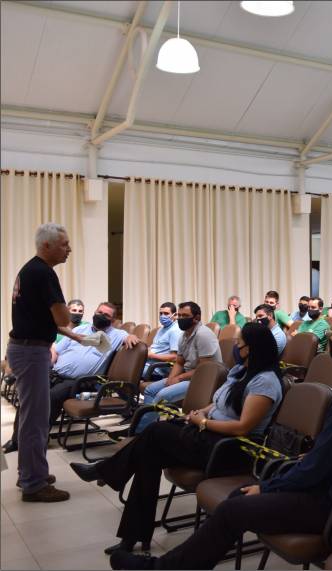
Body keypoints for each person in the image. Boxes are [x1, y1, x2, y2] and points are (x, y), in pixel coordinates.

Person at [108, 304, 332, 570]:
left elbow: (320, 467)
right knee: (239, 499)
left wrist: (268, 487)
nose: (328, 338)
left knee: (236, 506)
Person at [70, 322, 284, 554]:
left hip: (230, 450)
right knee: (148, 457)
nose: (235, 346)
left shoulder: (265, 381)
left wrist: (202, 422)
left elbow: (242, 428)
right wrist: (203, 411)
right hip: (208, 437)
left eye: (239, 343)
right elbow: (220, 401)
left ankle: (106, 472)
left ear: (251, 348)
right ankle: (132, 538)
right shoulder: (241, 371)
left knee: (155, 431)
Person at [6, 223, 79, 501]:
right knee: (36, 419)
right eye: (64, 244)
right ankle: (34, 484)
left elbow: (43, 318)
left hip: (25, 348)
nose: (69, 249)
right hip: (32, 351)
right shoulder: (43, 273)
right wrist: (68, 324)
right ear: (46, 246)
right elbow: (62, 318)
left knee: (31, 416)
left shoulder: (30, 270)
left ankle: (30, 472)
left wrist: (71, 332)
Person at [48, 302, 138, 426]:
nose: (101, 316)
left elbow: (129, 337)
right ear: (94, 313)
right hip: (55, 374)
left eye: (106, 315)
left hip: (79, 382)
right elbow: (57, 351)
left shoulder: (117, 335)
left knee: (51, 397)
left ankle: (38, 437)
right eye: (99, 312)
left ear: (112, 320)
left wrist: (131, 336)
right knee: (31, 391)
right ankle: (19, 437)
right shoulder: (79, 329)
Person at [138, 302, 223, 433]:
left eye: (185, 315)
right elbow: (179, 362)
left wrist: (179, 378)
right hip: (188, 376)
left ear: (197, 318)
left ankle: (140, 432)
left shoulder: (203, 334)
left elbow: (205, 369)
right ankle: (150, 427)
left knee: (161, 395)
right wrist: (171, 379)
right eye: (179, 315)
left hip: (203, 380)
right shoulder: (184, 335)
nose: (181, 318)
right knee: (150, 390)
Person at [143, 302, 182, 379]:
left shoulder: (175, 331)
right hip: (149, 364)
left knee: (129, 370)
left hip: (158, 368)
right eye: (161, 313)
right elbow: (155, 347)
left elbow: (174, 357)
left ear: (175, 316)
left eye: (166, 313)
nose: (162, 316)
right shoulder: (161, 329)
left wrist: (151, 355)